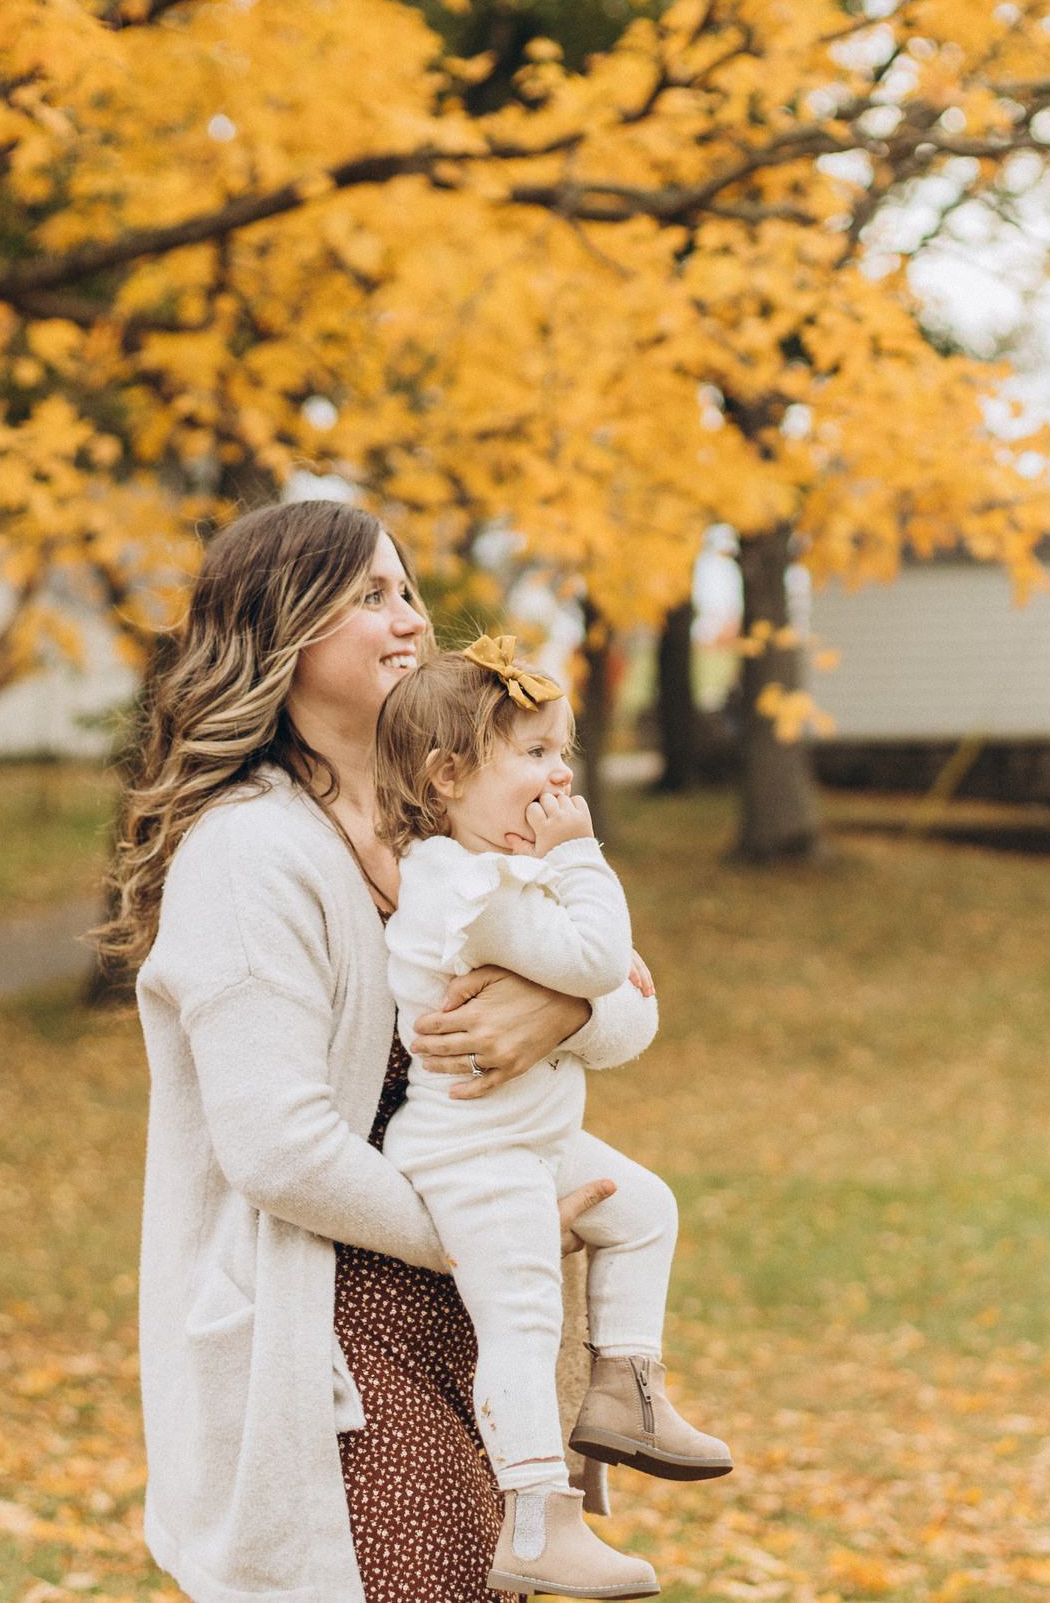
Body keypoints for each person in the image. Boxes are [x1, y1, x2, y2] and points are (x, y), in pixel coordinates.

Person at [100, 501, 661, 1603]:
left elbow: (630, 998)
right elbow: (277, 1148)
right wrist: (476, 1239)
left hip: (473, 1321)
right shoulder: (249, 855)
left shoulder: (453, 821)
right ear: (281, 633)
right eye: (367, 597)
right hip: (331, 1339)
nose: (408, 622)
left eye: (407, 590)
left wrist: (560, 1015)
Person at [373, 641, 732, 1598]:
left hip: (527, 1135)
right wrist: (583, 860)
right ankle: (535, 1516)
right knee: (524, 1316)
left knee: (645, 1207)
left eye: (562, 750)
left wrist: (594, 961)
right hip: (471, 1151)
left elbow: (609, 992)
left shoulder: (503, 870)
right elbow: (594, 961)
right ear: (448, 776)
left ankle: (627, 1388)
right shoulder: (462, 884)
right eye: (533, 753)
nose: (560, 772)